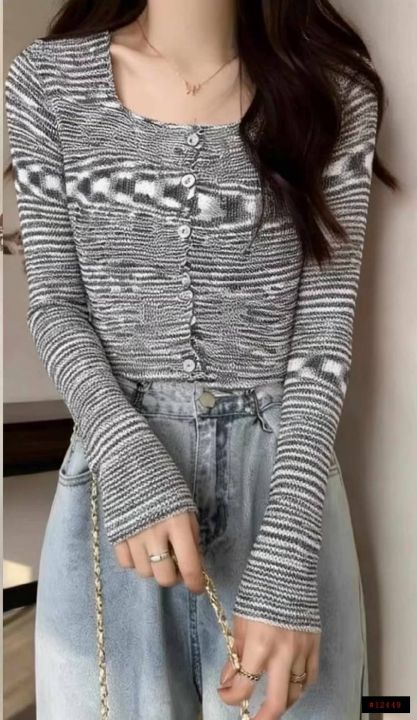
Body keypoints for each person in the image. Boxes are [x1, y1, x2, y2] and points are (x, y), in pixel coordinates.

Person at [4, 1, 397, 718]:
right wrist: (125, 451)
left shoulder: (331, 91)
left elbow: (322, 339)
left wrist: (289, 549)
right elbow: (55, 304)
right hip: (114, 483)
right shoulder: (46, 80)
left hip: (284, 492)